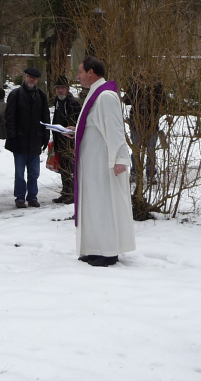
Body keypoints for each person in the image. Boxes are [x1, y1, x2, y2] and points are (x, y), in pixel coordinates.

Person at [71, 56, 135, 267]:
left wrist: (119, 158)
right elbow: (95, 125)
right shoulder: (95, 94)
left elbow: (116, 129)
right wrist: (77, 131)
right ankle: (95, 247)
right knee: (94, 205)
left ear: (91, 72)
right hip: (92, 164)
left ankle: (108, 251)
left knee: (104, 205)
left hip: (104, 164)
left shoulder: (105, 95)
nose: (78, 76)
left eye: (80, 72)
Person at [4, 67, 50, 208]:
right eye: (29, 77)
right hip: (20, 139)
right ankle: (19, 197)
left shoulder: (41, 95)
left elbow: (45, 117)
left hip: (35, 140)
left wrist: (46, 136)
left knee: (34, 173)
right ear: (25, 77)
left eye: (34, 78)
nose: (32, 80)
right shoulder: (16, 94)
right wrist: (12, 137)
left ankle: (32, 196)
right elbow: (9, 118)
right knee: (19, 173)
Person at [123, 68, 165, 183]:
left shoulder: (157, 86)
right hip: (136, 125)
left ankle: (151, 174)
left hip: (151, 125)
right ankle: (135, 172)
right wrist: (136, 87)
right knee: (136, 150)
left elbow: (163, 102)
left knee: (151, 151)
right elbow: (126, 100)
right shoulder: (135, 85)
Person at [51, 75, 81, 204]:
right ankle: (66, 192)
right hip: (60, 139)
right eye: (58, 88)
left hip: (70, 141)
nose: (60, 91)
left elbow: (78, 122)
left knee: (69, 168)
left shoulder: (73, 103)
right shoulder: (57, 102)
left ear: (67, 89)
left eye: (62, 88)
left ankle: (71, 194)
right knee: (63, 169)